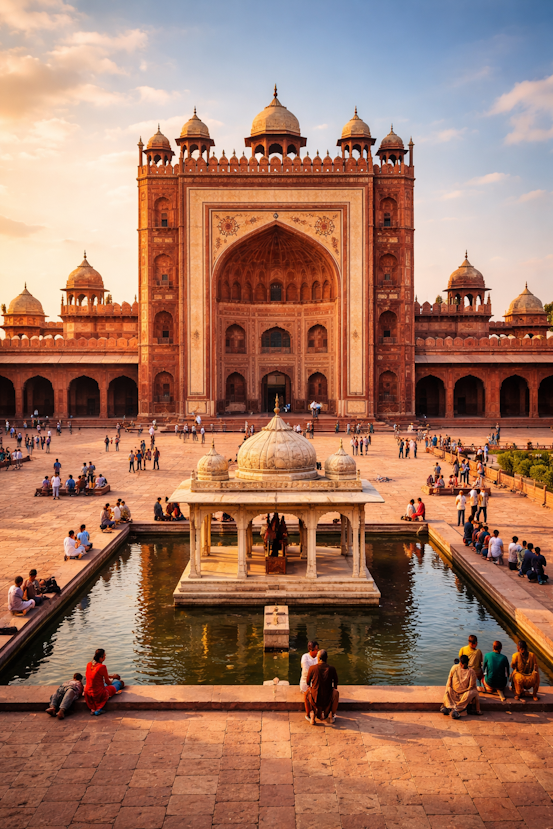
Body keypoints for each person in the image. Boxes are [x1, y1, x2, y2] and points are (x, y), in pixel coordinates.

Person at [84, 648, 125, 716]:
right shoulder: (102, 667)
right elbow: (108, 682)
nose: (105, 657)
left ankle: (94, 709)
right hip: (98, 694)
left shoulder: (89, 664)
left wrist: (111, 677)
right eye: (104, 656)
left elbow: (96, 676)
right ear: (101, 657)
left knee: (107, 683)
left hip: (88, 693)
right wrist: (114, 679)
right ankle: (98, 709)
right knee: (117, 683)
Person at [304, 649, 339, 725]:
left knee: (306, 693)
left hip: (315, 698)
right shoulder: (332, 669)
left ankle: (309, 715)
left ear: (318, 658)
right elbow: (336, 682)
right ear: (326, 658)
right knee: (336, 693)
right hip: (328, 697)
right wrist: (333, 689)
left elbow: (307, 682)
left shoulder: (312, 668)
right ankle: (332, 715)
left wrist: (311, 687)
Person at [441, 654, 481, 718]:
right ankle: (449, 707)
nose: (462, 666)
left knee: (471, 693)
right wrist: (449, 688)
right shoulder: (455, 668)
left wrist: (464, 691)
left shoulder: (471, 671)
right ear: (460, 663)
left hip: (464, 693)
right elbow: (449, 679)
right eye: (462, 665)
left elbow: (471, 686)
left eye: (464, 665)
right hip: (454, 692)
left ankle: (456, 709)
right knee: (448, 689)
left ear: (467, 664)